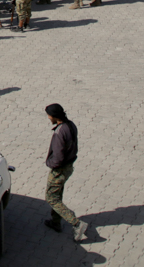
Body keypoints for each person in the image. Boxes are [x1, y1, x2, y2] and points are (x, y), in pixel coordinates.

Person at [43, 103, 88, 242]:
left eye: (49, 115)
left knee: (51, 198)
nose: (48, 117)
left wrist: (50, 164)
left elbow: (57, 157)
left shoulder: (59, 132)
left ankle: (77, 224)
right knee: (58, 192)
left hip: (59, 169)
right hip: (69, 166)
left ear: (55, 116)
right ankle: (56, 222)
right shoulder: (71, 125)